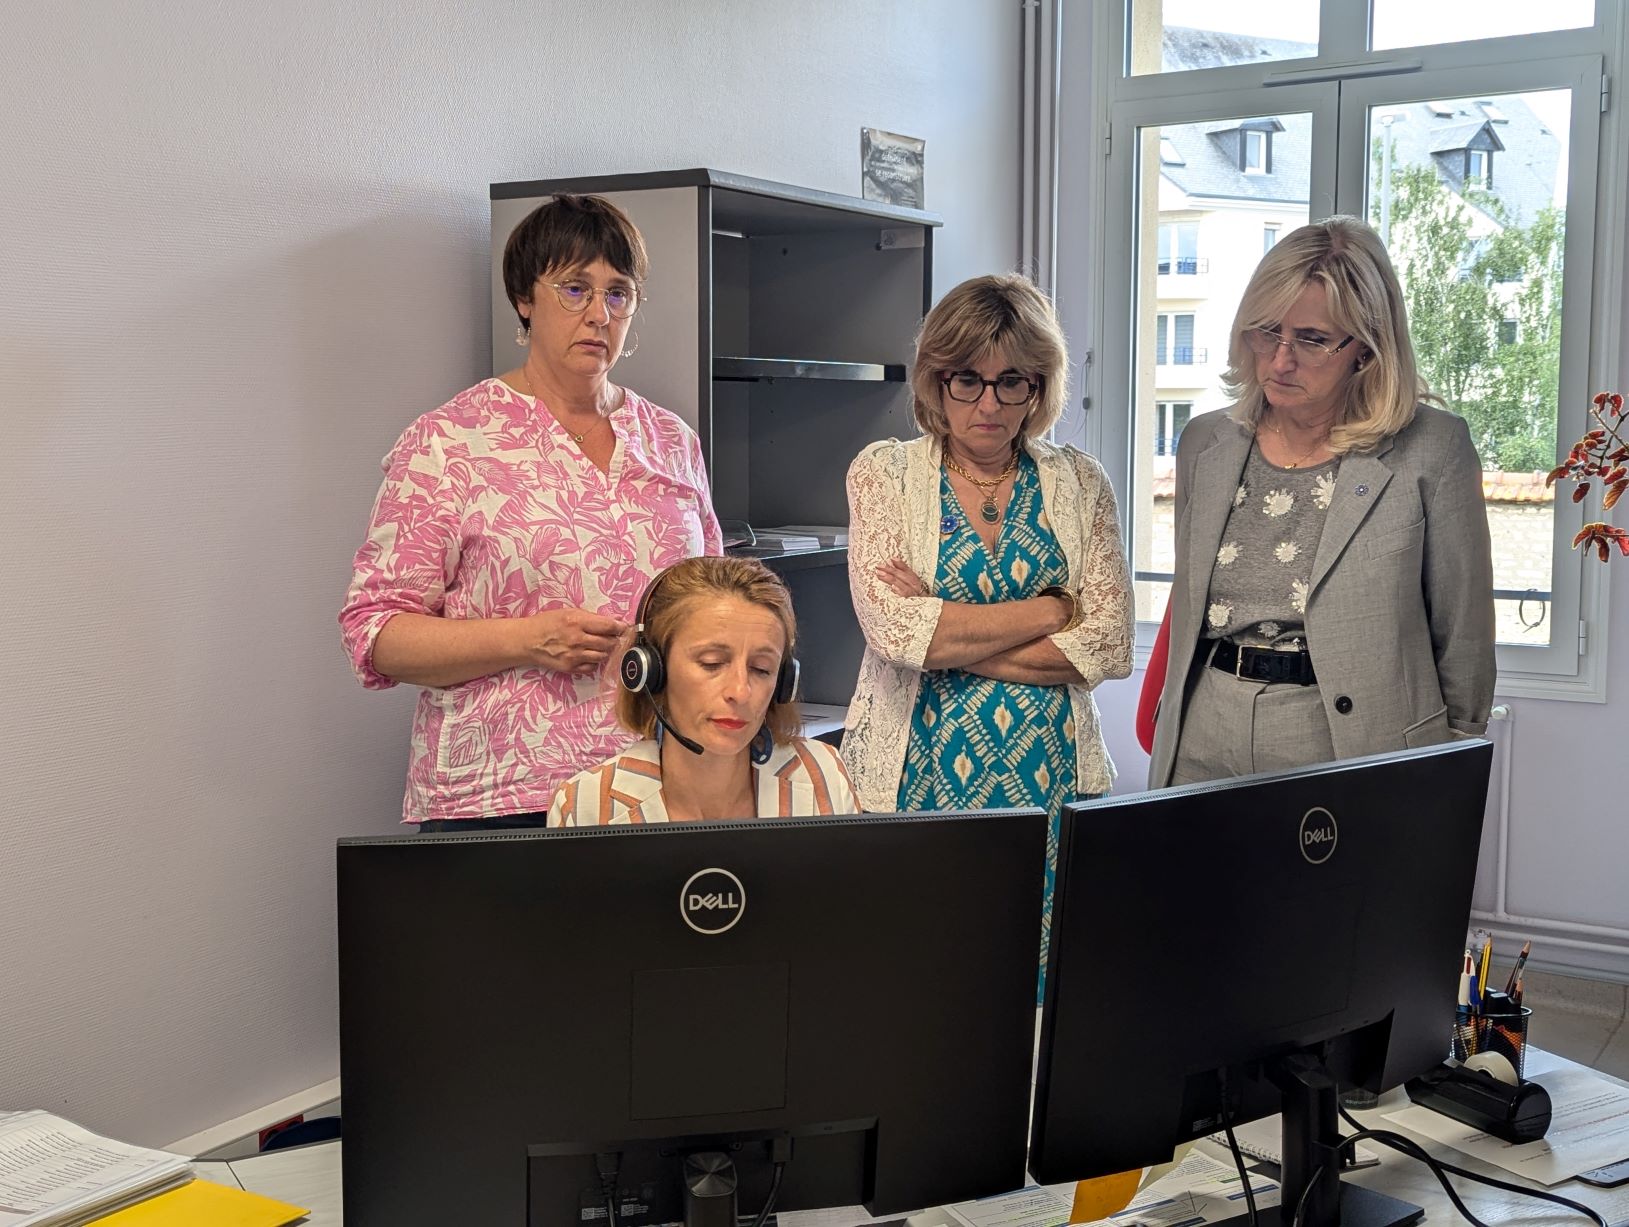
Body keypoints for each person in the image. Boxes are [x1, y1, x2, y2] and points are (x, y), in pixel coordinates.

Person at [339, 195, 722, 829]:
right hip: (502, 798)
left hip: (661, 784)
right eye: (575, 289)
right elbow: (375, 635)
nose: (599, 314)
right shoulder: (449, 442)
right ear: (525, 298)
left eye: (618, 294)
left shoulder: (671, 440)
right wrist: (527, 638)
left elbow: (712, 604)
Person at [841, 273, 1134, 992]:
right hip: (918, 778)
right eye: (966, 381)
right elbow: (896, 633)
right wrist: (1049, 608)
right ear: (935, 381)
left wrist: (948, 633)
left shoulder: (1080, 482)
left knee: (1042, 992)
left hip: (1050, 781)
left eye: (1013, 384)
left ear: (1039, 388)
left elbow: (1109, 644)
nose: (988, 405)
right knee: (922, 985)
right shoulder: (882, 473)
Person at [1147, 216, 1496, 790]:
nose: (1280, 360)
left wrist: (1447, 778)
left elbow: (1464, 643)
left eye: (1311, 339)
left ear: (1366, 349)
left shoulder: (1432, 448)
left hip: (1351, 738)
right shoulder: (1205, 442)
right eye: (1266, 331)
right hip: (1205, 729)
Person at [548, 556, 858, 824]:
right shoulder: (587, 804)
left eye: (761, 669)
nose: (740, 691)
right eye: (712, 663)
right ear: (651, 670)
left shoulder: (821, 775)